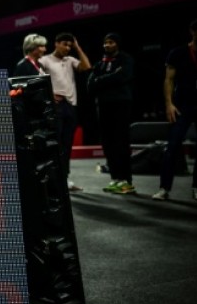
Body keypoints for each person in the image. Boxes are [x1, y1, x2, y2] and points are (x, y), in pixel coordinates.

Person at [152, 19, 197, 201]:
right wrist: (169, 104)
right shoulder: (178, 53)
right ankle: (164, 188)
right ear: (193, 31)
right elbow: (169, 80)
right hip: (182, 106)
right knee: (172, 147)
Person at [39, 32, 91, 191]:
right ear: (56, 43)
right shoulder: (45, 60)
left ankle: (65, 178)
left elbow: (87, 67)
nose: (67, 48)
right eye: (65, 44)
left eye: (70, 45)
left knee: (67, 145)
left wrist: (77, 47)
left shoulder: (70, 60)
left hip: (70, 106)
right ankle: (52, 179)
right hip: (55, 107)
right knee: (55, 144)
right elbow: (37, 80)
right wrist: (49, 95)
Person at [87, 32, 136, 194]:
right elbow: (90, 85)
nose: (107, 45)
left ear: (117, 44)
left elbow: (122, 77)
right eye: (105, 42)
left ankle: (126, 180)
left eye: (111, 42)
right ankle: (115, 178)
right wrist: (109, 79)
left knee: (121, 141)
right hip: (103, 105)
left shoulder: (125, 59)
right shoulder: (99, 63)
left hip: (121, 104)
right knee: (107, 143)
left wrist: (101, 81)